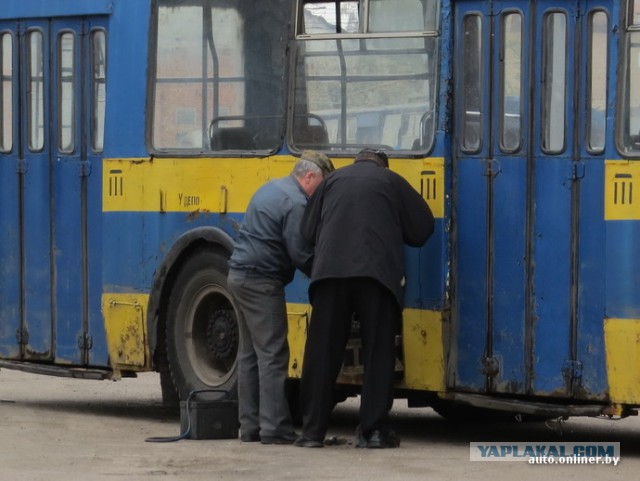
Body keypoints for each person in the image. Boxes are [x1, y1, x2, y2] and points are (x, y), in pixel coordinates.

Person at [295, 148, 434, 449]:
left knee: (322, 352)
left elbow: (306, 232)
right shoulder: (392, 181)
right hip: (377, 276)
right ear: (383, 164)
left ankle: (312, 432)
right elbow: (423, 229)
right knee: (378, 352)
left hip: (330, 274)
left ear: (355, 161)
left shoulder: (332, 181)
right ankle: (373, 431)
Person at [227, 150, 335, 445]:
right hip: (261, 282)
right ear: (309, 177)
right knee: (274, 355)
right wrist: (326, 276)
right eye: (321, 186)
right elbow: (300, 253)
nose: (320, 196)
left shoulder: (271, 187)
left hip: (237, 276)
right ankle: (275, 429)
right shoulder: (296, 202)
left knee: (249, 355)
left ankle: (249, 427)